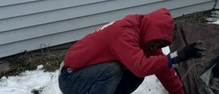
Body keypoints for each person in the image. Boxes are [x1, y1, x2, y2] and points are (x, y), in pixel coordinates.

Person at [58, 8, 203, 94]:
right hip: (71, 78)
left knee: (134, 74)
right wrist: (177, 57)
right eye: (156, 42)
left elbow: (164, 70)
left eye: (160, 44)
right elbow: (141, 67)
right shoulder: (124, 34)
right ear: (152, 31)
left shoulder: (145, 37)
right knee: (113, 69)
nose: (155, 47)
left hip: (89, 76)